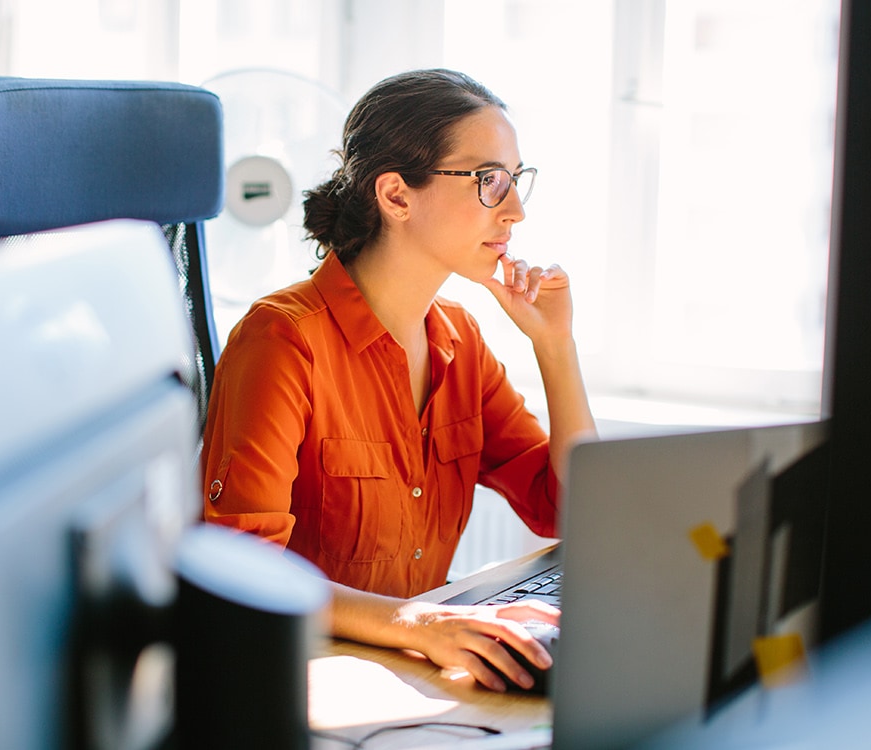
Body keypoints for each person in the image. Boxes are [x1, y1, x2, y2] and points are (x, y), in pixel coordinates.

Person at [200, 68, 596, 693]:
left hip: (409, 672)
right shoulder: (283, 340)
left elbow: (570, 509)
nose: (516, 211)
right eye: (489, 181)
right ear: (396, 196)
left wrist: (555, 346)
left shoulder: (459, 341)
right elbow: (243, 572)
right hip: (299, 680)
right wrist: (418, 621)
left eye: (517, 181)